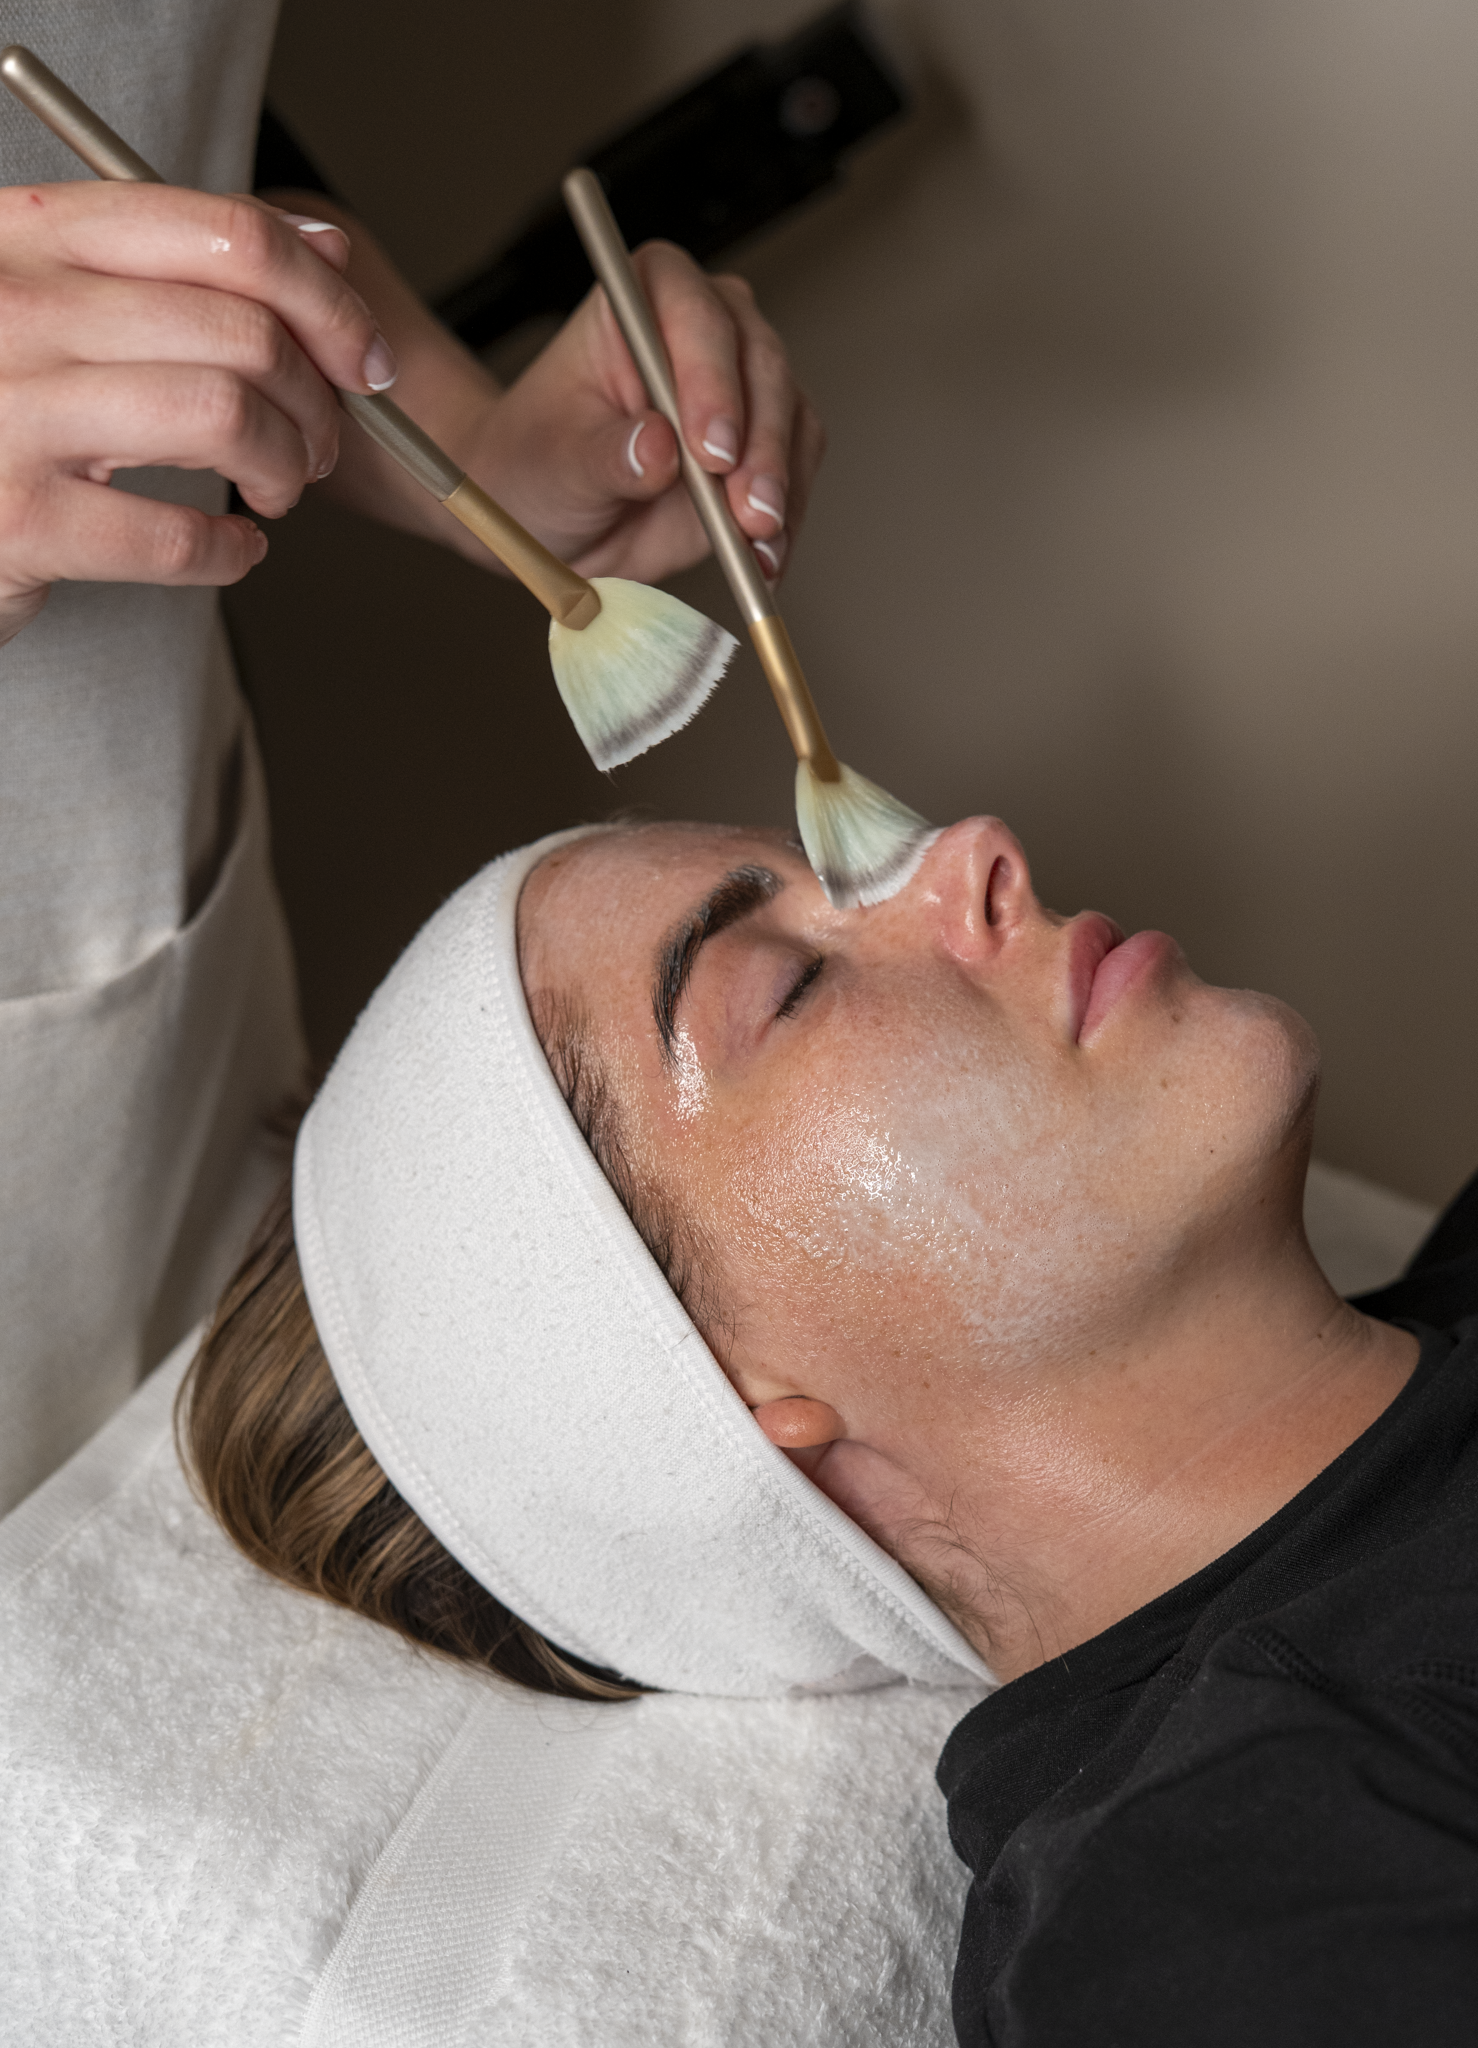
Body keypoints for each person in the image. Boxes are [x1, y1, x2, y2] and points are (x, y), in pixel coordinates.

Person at [182, 812, 1478, 2044]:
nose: (974, 848)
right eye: (790, 984)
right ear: (725, 1405)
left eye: (855, 868)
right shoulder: (1235, 1909)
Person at [0, 0, 821, 1515]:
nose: (987, 860)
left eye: (798, 978)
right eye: (785, 990)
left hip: (151, 940)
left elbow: (137, 107)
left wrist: (470, 450)